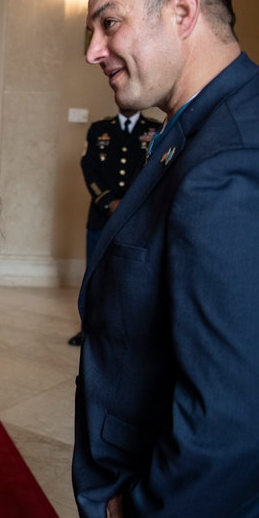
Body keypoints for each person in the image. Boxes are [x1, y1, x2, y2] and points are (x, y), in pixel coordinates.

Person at [74, 0, 259, 518]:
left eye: (108, 23)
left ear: (183, 12)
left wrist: (137, 514)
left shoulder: (232, 159)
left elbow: (240, 418)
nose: (94, 51)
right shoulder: (195, 130)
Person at [68, 108, 159, 346]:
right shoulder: (100, 129)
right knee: (95, 273)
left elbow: (155, 170)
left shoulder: (153, 128)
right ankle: (88, 328)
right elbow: (89, 168)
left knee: (130, 273)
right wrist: (108, 201)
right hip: (101, 214)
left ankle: (122, 331)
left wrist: (129, 204)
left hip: (137, 214)